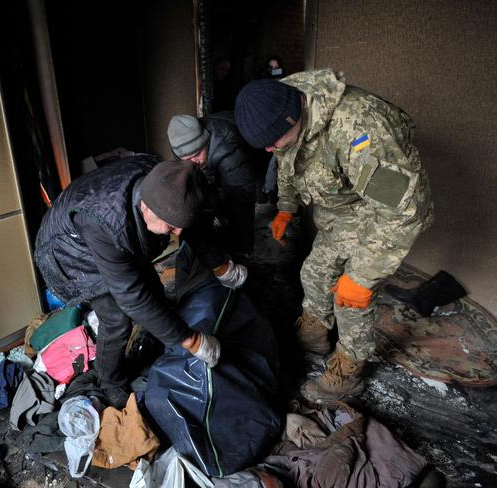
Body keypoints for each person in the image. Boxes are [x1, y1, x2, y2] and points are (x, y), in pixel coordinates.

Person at [234, 70, 434, 400]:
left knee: (351, 297)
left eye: (274, 141)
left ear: (292, 115)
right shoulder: (284, 109)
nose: (271, 150)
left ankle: (348, 371)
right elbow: (288, 163)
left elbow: (404, 211)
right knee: (313, 273)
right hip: (340, 214)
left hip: (380, 215)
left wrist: (365, 274)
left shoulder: (359, 127)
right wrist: (287, 207)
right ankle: (314, 336)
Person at [34, 156, 247, 408]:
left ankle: (154, 335)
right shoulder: (104, 223)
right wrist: (192, 340)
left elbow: (191, 224)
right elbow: (131, 296)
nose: (177, 233)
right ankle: (110, 380)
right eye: (170, 226)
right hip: (70, 250)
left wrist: (221, 266)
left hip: (113, 232)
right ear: (145, 207)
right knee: (117, 318)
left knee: (153, 289)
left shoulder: (166, 182)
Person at [167, 113, 256, 257]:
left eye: (196, 154)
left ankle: (243, 253)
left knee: (238, 208)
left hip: (239, 173)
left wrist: (242, 245)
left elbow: (244, 196)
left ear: (206, 142)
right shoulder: (180, 144)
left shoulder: (229, 153)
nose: (193, 162)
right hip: (213, 166)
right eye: (187, 159)